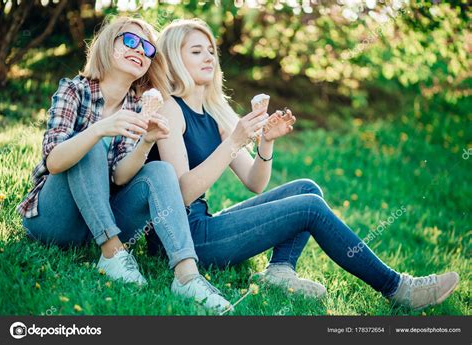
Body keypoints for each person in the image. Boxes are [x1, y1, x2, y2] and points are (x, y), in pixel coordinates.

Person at [145, 18, 459, 311]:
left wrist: (265, 142)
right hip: (183, 241)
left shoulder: (214, 114)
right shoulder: (172, 109)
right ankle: (398, 288)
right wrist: (233, 143)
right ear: (173, 59)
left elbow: (255, 183)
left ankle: (279, 272)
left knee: (307, 188)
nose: (209, 57)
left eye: (211, 50)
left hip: (204, 225)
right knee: (308, 206)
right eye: (196, 51)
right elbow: (180, 195)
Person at [16, 16, 231, 313]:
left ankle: (186, 276)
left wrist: (145, 141)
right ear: (108, 45)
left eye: (147, 47)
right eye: (130, 41)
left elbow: (119, 177)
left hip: (98, 219)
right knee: (86, 147)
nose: (139, 50)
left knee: (160, 170)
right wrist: (100, 129)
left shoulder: (137, 104)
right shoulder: (74, 90)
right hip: (56, 220)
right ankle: (112, 254)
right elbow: (54, 161)